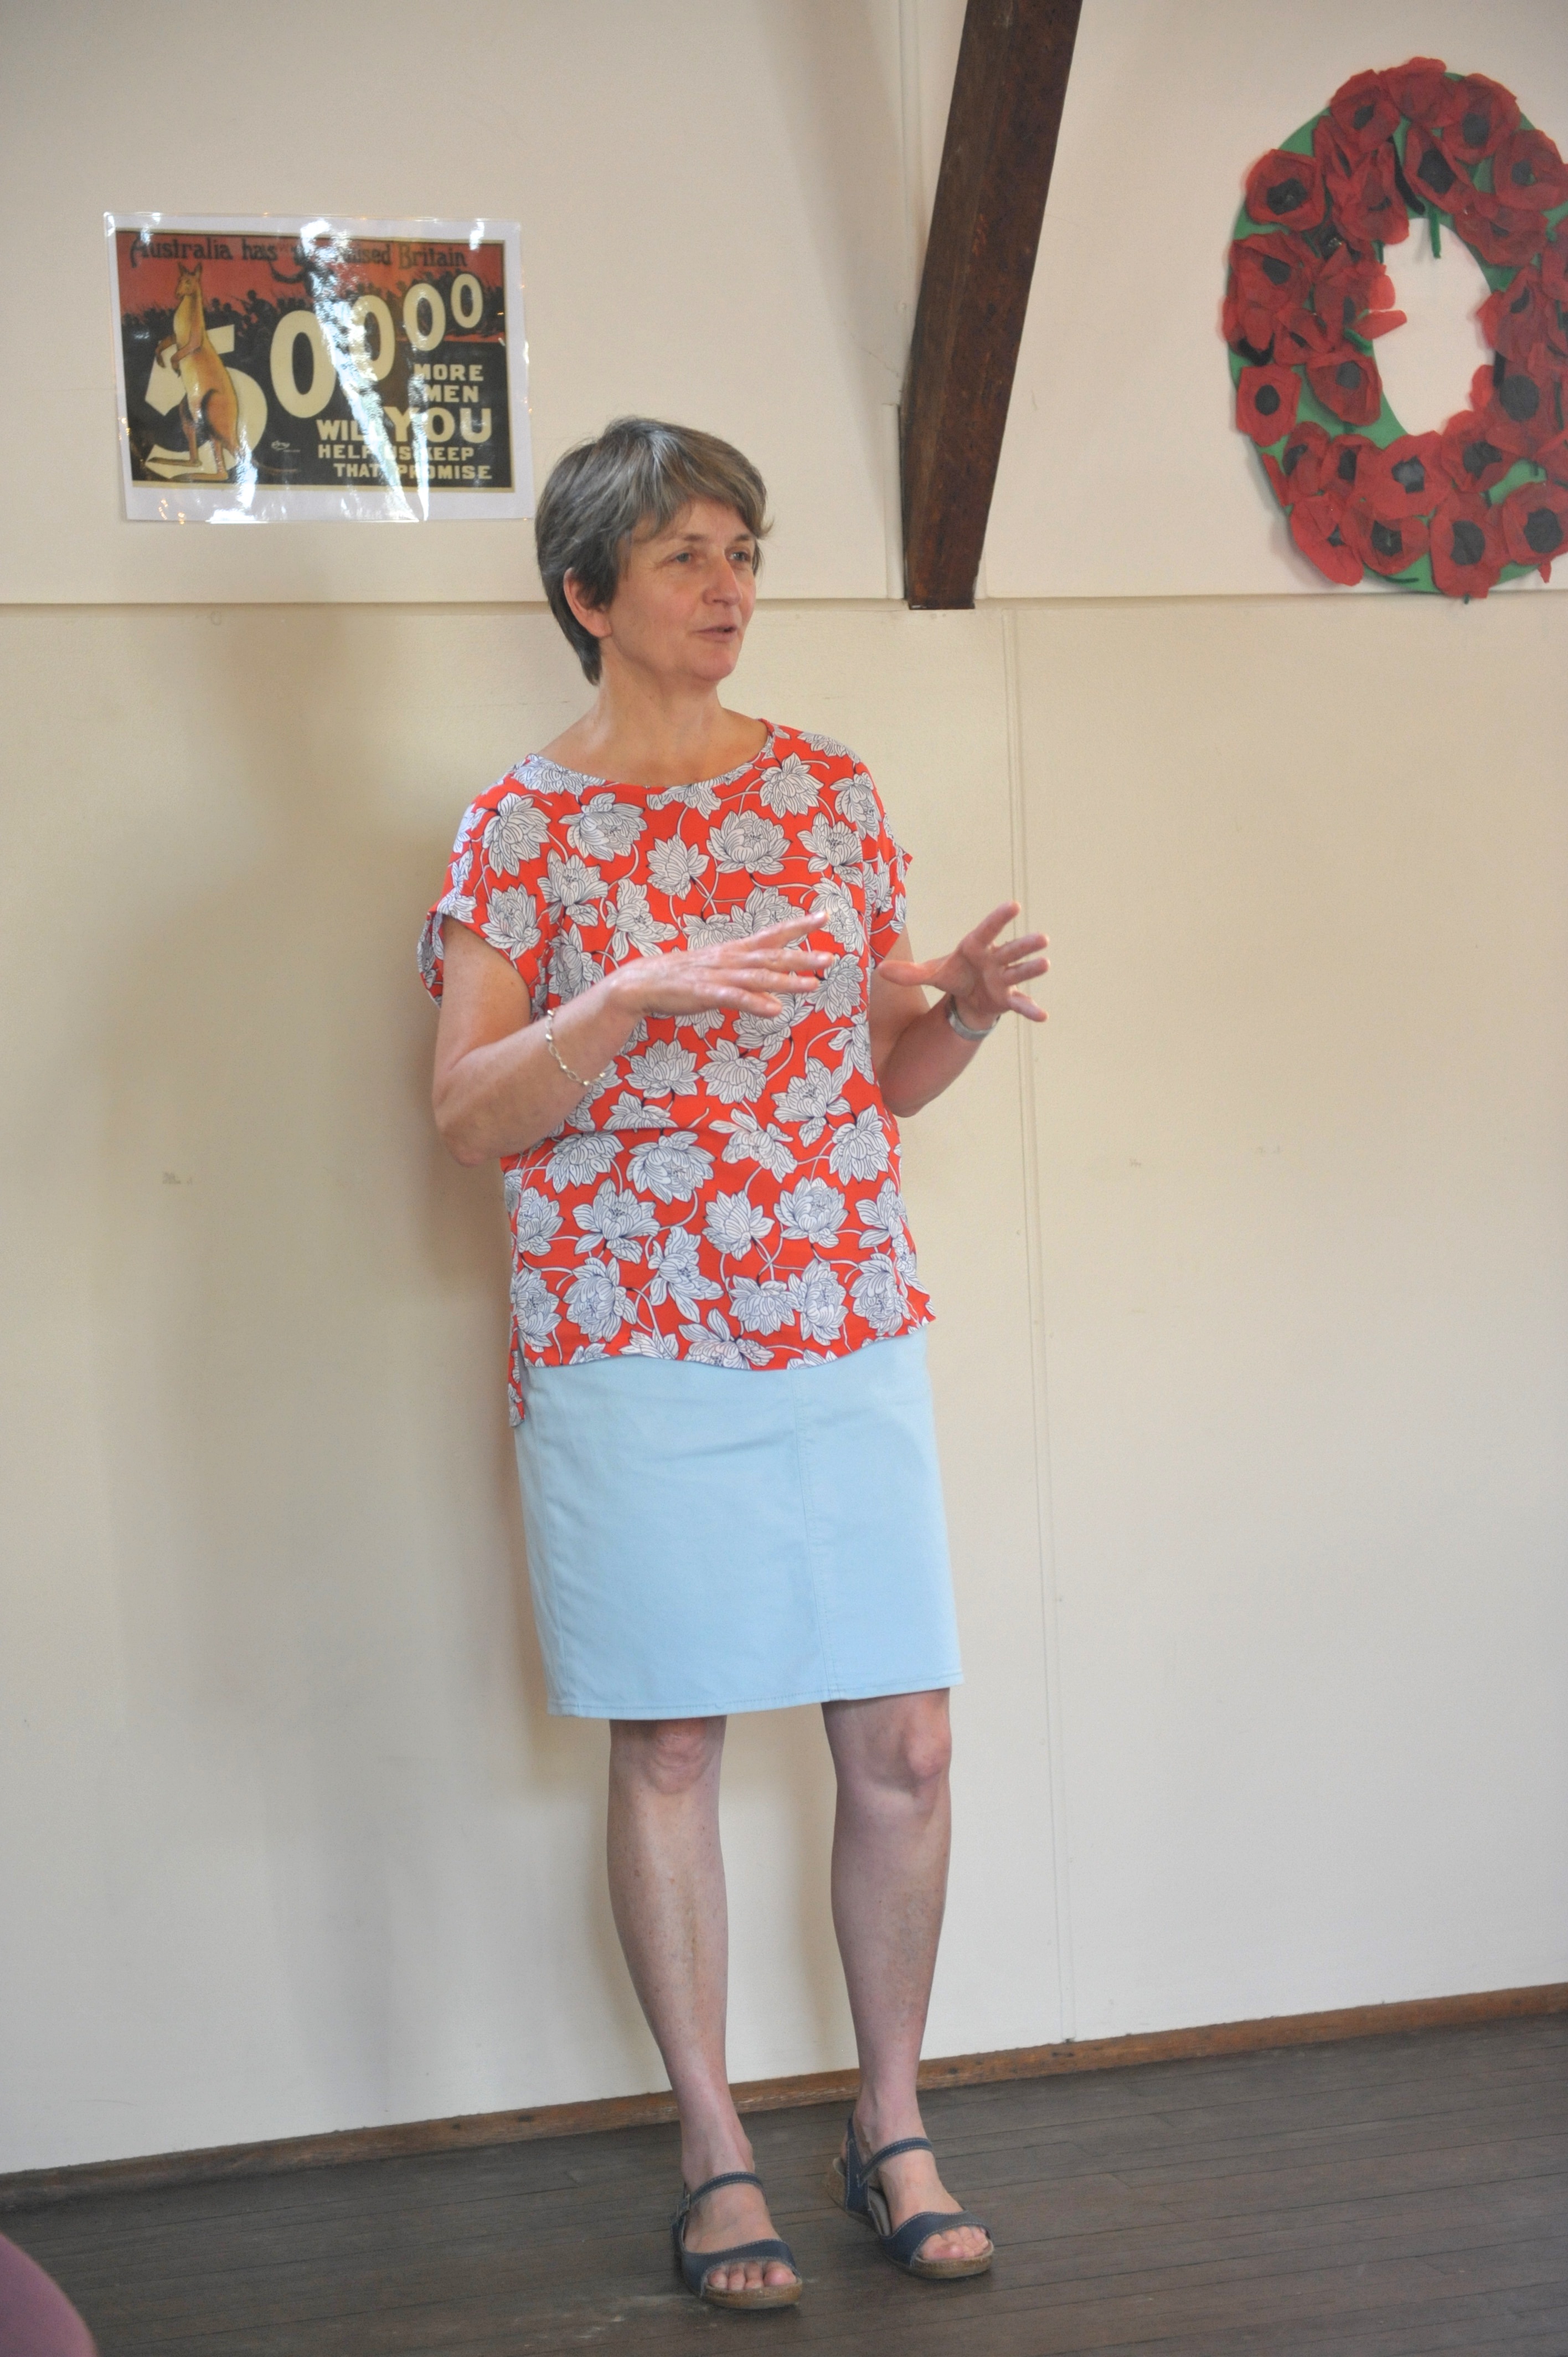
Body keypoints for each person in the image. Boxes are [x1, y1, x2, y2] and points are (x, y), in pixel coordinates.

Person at [421, 418, 1047, 2310]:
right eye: (687, 556)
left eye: (745, 552)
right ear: (587, 593)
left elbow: (877, 1078)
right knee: (676, 1739)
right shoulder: (522, 827)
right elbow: (466, 1115)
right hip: (629, 1342)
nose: (729, 589)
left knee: (908, 1743)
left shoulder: (831, 795)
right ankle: (712, 2145)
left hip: (840, 1316)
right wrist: (621, 1000)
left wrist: (959, 1012)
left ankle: (889, 2121)